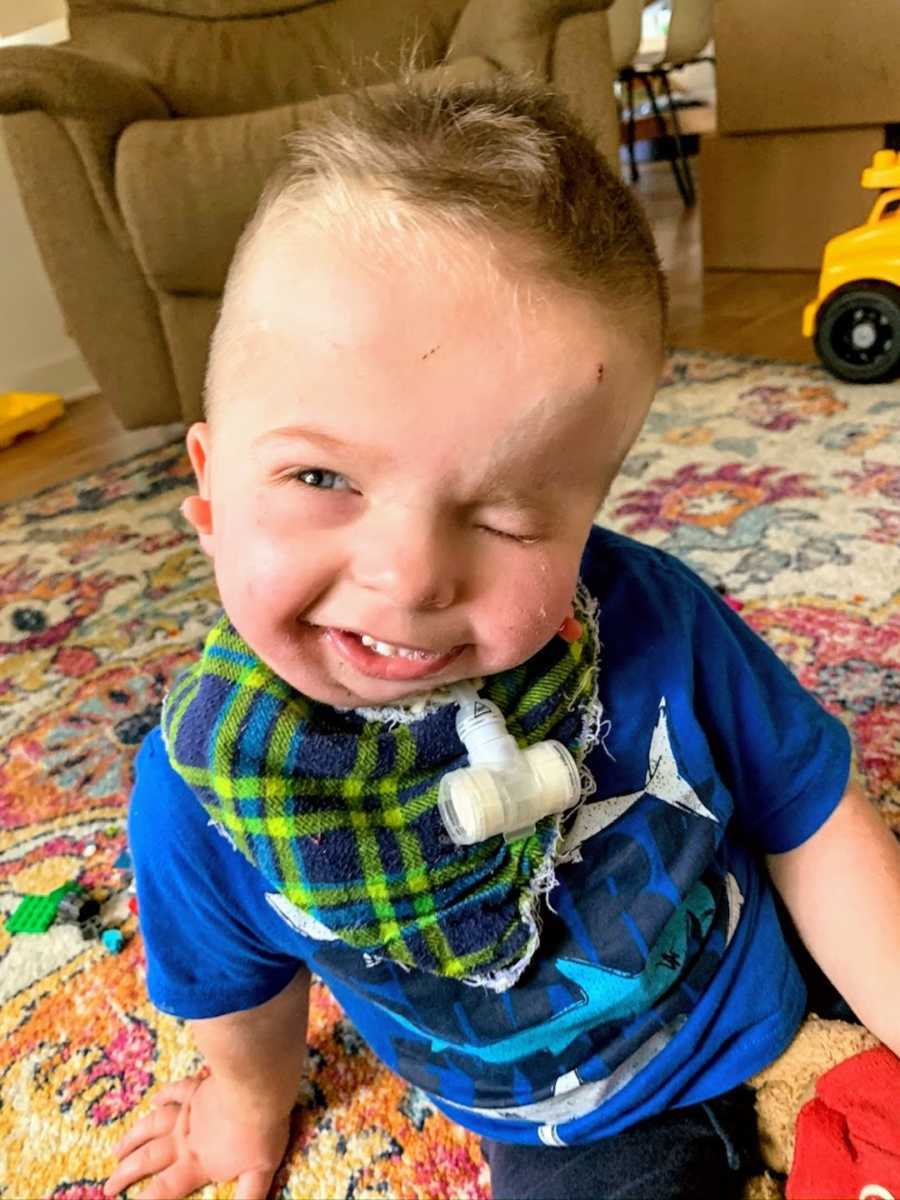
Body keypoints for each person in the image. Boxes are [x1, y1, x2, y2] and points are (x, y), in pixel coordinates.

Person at [104, 74, 900, 1200]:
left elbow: (813, 822)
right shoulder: (209, 790)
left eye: (507, 513)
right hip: (572, 1119)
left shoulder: (659, 621)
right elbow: (237, 987)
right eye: (319, 475)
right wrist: (242, 1105)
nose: (410, 575)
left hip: (756, 970)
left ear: (590, 521)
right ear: (211, 491)